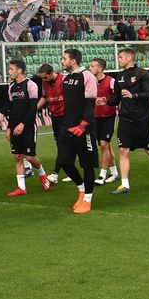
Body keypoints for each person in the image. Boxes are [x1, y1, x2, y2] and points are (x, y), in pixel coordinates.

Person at [106, 48, 149, 195]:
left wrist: (134, 95)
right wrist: (105, 101)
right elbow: (115, 99)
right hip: (125, 119)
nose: (118, 59)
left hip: (142, 118)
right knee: (123, 150)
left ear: (130, 58)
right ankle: (125, 185)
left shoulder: (143, 74)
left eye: (121, 56)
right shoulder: (119, 76)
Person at [55, 49, 99, 214]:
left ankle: (87, 199)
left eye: (64, 58)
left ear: (73, 61)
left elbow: (90, 104)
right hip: (67, 126)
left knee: (87, 164)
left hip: (84, 129)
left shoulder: (87, 76)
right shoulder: (66, 78)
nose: (62, 61)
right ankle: (81, 188)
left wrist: (83, 125)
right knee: (64, 161)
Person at [5, 59, 48, 196]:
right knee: (18, 156)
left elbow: (32, 108)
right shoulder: (11, 87)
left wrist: (23, 124)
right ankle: (21, 188)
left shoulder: (31, 85)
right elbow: (11, 108)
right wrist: (9, 127)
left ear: (19, 70)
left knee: (29, 157)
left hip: (28, 126)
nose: (9, 71)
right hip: (14, 127)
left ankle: (42, 174)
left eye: (11, 69)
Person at [90, 58, 119, 185]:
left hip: (108, 116)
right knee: (105, 145)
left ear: (100, 69)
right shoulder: (90, 82)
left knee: (103, 144)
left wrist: (106, 101)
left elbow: (116, 97)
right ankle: (114, 173)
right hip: (96, 117)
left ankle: (102, 175)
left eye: (92, 66)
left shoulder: (111, 81)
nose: (90, 68)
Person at [36, 63, 65, 187]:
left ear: (51, 73)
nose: (43, 80)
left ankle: (55, 174)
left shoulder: (64, 80)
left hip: (66, 116)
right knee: (61, 145)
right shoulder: (44, 84)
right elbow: (45, 97)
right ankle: (67, 169)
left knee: (64, 145)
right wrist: (34, 110)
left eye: (45, 77)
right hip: (55, 117)